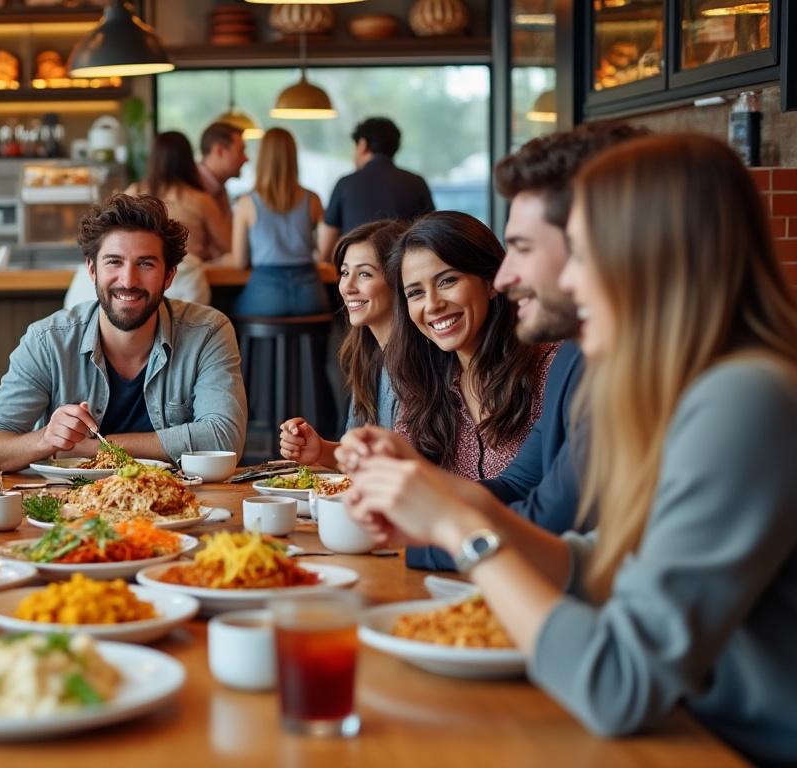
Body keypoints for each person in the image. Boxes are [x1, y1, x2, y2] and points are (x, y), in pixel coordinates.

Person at [341, 133, 797, 765]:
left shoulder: (746, 398)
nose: (509, 277)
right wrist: (436, 500)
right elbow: (608, 563)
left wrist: (458, 525)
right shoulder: (686, 385)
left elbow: (619, 684)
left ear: (647, 256)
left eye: (577, 252)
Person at [407, 121, 650, 572]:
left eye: (521, 247)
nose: (503, 277)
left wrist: (424, 538)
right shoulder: (580, 356)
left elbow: (551, 521)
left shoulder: (634, 373)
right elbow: (521, 485)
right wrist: (411, 491)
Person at [0, 193, 246, 471]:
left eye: (145, 264)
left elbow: (223, 439)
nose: (128, 281)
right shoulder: (47, 340)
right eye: (114, 262)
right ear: (92, 270)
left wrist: (96, 447)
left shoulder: (207, 332)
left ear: (169, 276)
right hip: (67, 508)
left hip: (176, 503)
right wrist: (47, 439)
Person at [386, 211, 556, 481]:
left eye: (447, 281)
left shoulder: (550, 369)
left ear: (490, 282)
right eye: (415, 293)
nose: (432, 304)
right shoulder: (423, 382)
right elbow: (403, 480)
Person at [279, 219, 407, 469]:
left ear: (399, 282)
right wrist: (319, 450)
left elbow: (401, 470)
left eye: (365, 274)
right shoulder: (369, 356)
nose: (347, 287)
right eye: (346, 272)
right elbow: (359, 458)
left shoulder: (418, 365)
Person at [65, 132, 227, 307]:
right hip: (185, 283)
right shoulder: (201, 200)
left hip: (152, 286)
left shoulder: (133, 192)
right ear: (189, 161)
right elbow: (229, 246)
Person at [229, 127, 329, 317]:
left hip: (265, 295)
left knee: (228, 312)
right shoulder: (313, 199)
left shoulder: (246, 203)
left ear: (262, 158)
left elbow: (240, 262)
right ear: (293, 157)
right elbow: (325, 250)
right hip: (310, 294)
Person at [317, 117, 434, 262]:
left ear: (362, 145)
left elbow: (326, 247)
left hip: (358, 271)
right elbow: (431, 234)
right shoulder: (417, 182)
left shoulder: (345, 184)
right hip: (403, 273)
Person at [197, 120, 248, 222]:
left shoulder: (219, 189)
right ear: (219, 151)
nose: (246, 158)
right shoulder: (193, 188)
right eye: (240, 151)